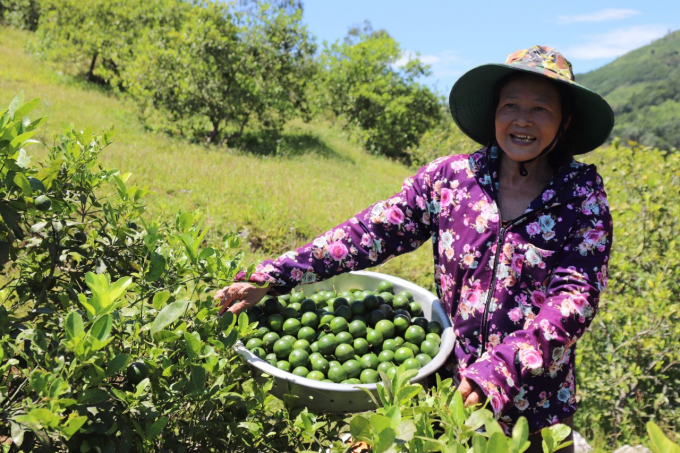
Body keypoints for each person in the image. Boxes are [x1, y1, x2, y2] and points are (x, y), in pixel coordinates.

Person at [215, 46, 614, 451]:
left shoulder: (581, 197)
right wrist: (271, 276)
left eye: (541, 109)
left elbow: (574, 299)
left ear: (564, 124)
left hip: (535, 407)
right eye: (510, 105)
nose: (522, 120)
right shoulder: (452, 180)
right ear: (494, 113)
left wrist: (500, 370)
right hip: (446, 389)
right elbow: (366, 234)